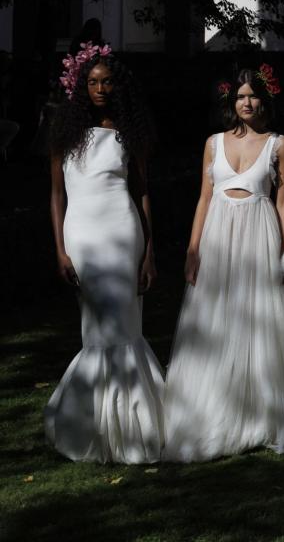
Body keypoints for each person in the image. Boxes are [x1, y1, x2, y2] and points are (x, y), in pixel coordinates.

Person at [162, 66, 284, 461]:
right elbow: (203, 198)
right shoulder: (213, 143)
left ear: (264, 100)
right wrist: (193, 249)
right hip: (218, 236)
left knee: (256, 318)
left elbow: (283, 202)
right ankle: (212, 402)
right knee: (215, 315)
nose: (246, 103)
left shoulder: (279, 144)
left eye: (253, 96)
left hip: (259, 235)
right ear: (232, 101)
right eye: (241, 96)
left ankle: (256, 408)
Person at [43, 44, 165, 463]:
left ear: (117, 86)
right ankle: (93, 426)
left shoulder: (129, 132)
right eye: (93, 82)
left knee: (126, 325)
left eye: (107, 82)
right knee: (97, 329)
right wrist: (60, 250)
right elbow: (56, 196)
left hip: (123, 231)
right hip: (82, 236)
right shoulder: (64, 132)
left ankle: (132, 429)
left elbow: (142, 192)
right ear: (82, 86)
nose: (99, 88)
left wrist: (149, 253)